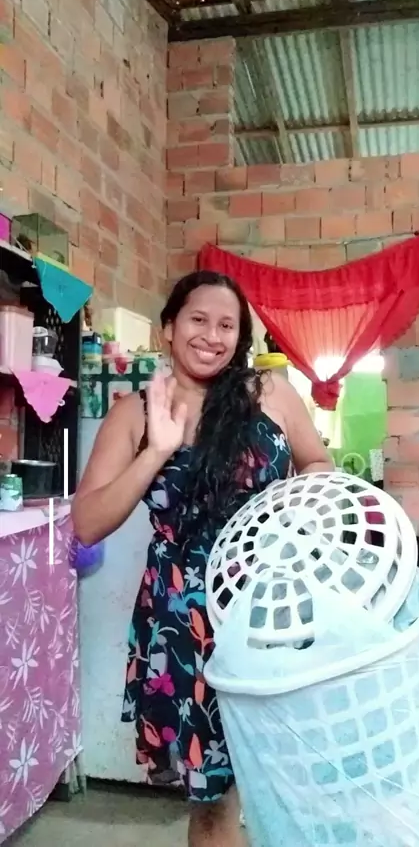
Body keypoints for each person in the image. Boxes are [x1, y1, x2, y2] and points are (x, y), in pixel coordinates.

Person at [72, 270, 333, 847]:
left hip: (267, 604)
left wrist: (288, 514)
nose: (212, 336)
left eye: (226, 325)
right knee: (214, 797)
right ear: (168, 327)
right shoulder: (134, 414)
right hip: (183, 621)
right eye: (198, 319)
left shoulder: (270, 395)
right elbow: (87, 523)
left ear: (240, 337)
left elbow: (317, 463)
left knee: (285, 778)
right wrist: (157, 451)